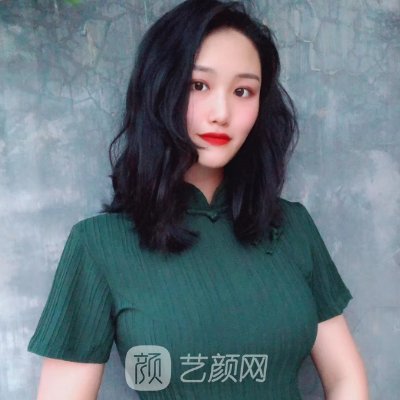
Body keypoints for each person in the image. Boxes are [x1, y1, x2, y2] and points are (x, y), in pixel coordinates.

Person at [27, 0, 369, 398]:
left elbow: (346, 379)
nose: (221, 112)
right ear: (159, 89)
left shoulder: (292, 228)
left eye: (243, 91)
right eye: (198, 85)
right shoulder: (99, 245)